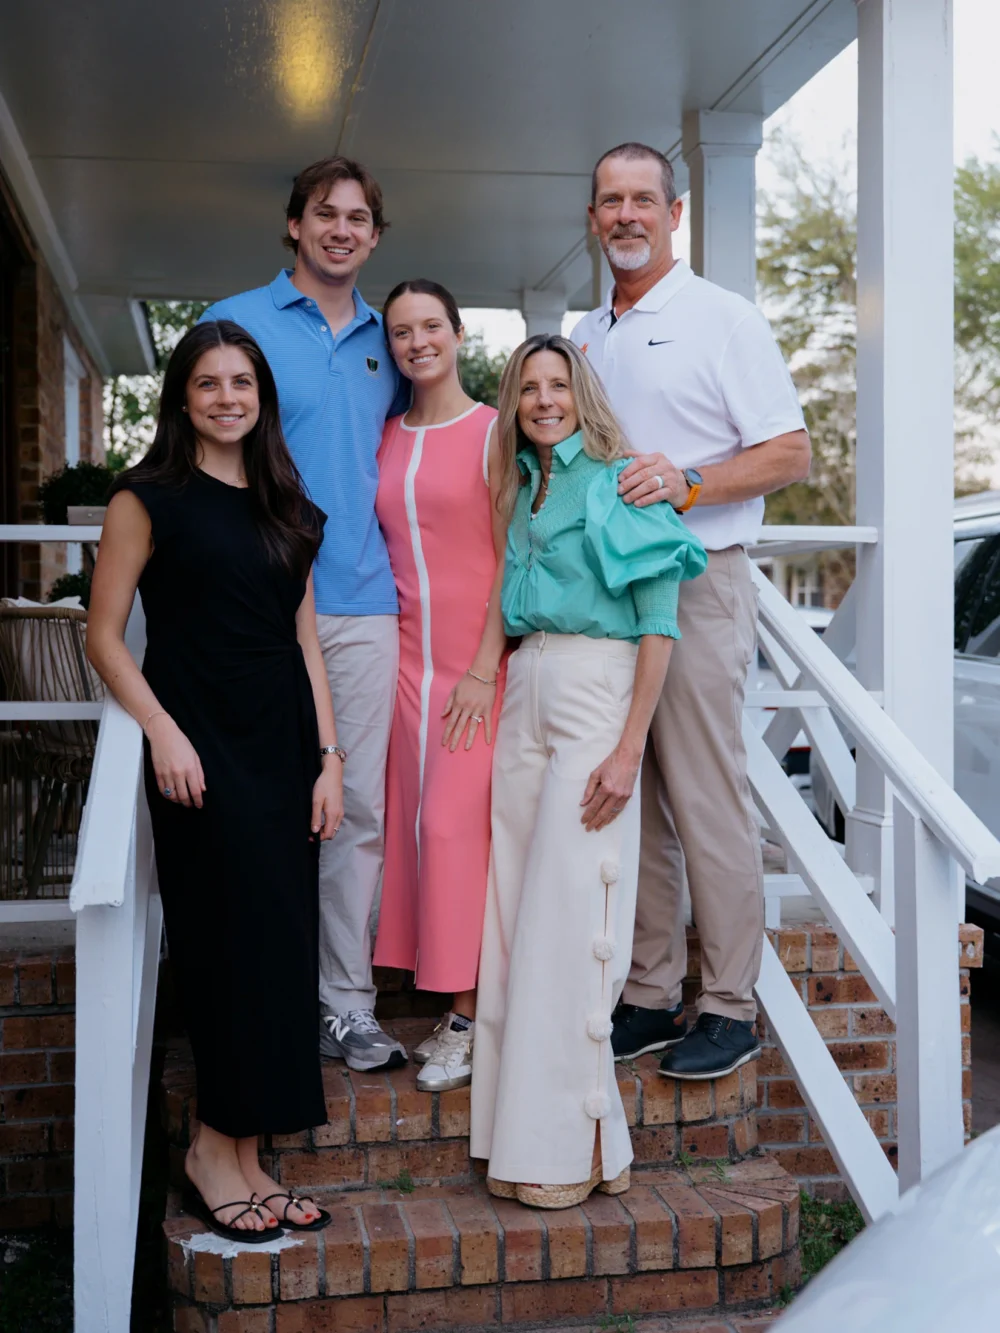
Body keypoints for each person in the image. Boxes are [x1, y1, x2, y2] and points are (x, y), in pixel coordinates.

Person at [87, 321, 341, 1240]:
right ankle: (207, 1150)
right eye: (208, 382)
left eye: (242, 382)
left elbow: (306, 642)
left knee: (280, 947)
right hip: (199, 744)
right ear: (183, 398)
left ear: (261, 397)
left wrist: (330, 760)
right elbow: (103, 635)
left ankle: (249, 1156)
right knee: (224, 945)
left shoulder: (289, 505)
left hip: (284, 745)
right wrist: (163, 730)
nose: (227, 397)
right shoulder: (146, 497)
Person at [573, 141, 811, 1079]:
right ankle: (649, 991)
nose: (626, 214)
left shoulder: (723, 319)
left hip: (698, 579)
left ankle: (729, 1005)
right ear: (593, 218)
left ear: (674, 214)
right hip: (610, 589)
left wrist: (691, 481)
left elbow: (788, 452)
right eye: (610, 200)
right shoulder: (587, 334)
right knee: (635, 797)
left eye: (644, 199)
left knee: (707, 792)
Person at [470, 335, 706, 1208]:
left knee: (572, 917)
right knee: (513, 912)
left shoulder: (617, 481)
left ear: (582, 395)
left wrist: (629, 745)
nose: (543, 400)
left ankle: (571, 1147)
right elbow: (504, 594)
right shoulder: (522, 485)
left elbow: (658, 622)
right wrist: (483, 674)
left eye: (558, 385)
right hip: (526, 688)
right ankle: (510, 1135)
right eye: (528, 386)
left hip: (594, 695)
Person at [201, 156, 410, 1072]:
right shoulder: (236, 322)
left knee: (353, 808)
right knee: (256, 801)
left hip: (362, 601)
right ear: (294, 224)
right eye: (325, 213)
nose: (341, 230)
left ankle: (345, 1003)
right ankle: (261, 992)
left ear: (375, 236)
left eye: (358, 218)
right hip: (257, 598)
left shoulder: (388, 341)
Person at [372, 279, 505, 1094]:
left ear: (457, 333)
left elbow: (514, 555)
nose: (417, 341)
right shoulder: (385, 435)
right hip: (404, 668)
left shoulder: (494, 430)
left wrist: (486, 668)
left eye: (430, 326)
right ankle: (455, 1008)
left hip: (476, 669)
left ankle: (469, 1021)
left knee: (454, 830)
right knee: (413, 832)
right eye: (400, 331)